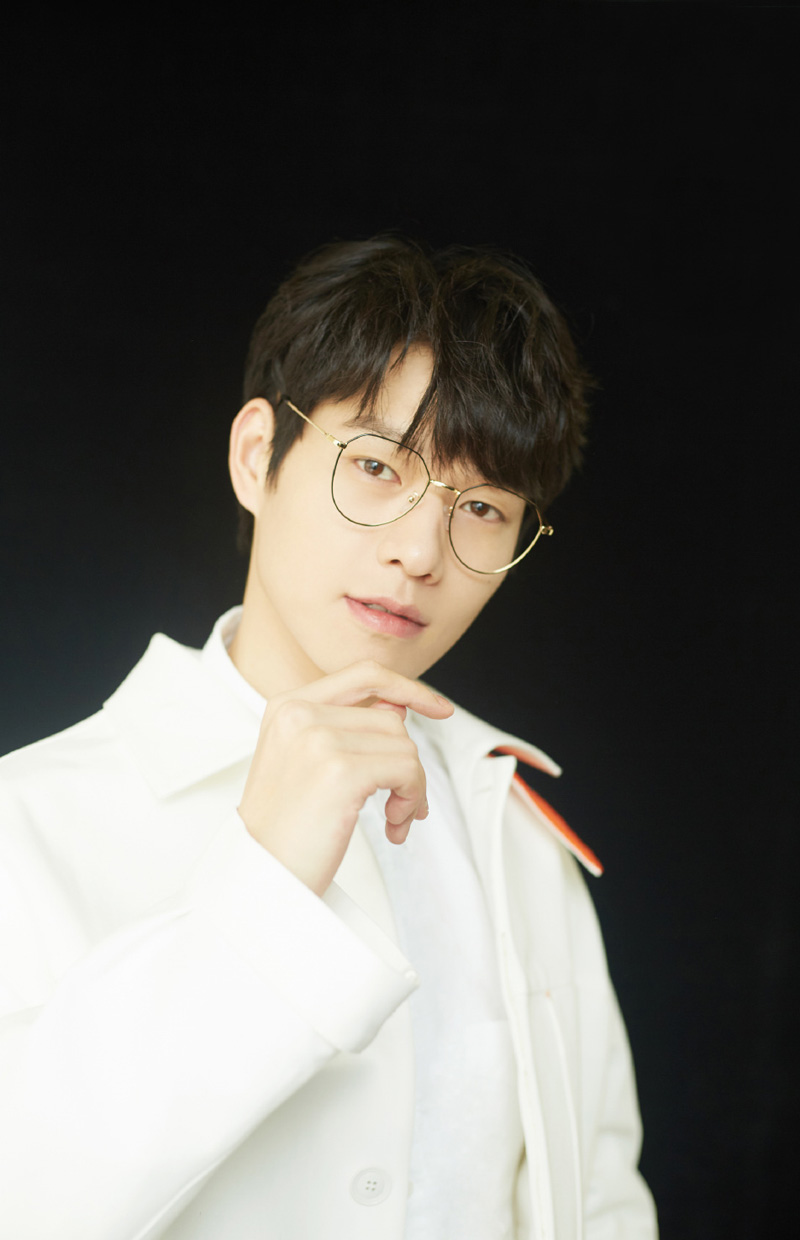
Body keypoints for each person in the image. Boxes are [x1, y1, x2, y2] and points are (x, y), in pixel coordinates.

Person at [0, 236, 657, 1239]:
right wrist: (262, 879)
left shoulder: (514, 829)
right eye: (377, 466)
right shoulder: (33, 817)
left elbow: (599, 1203)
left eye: (482, 507)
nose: (419, 550)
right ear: (255, 455)